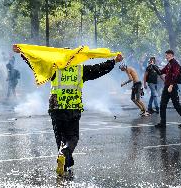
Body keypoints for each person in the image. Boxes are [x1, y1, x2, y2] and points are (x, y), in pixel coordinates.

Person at [13, 44, 123, 177]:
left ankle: (65, 163)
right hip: (72, 107)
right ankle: (65, 154)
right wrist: (114, 61)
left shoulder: (54, 69)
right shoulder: (80, 70)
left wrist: (23, 54)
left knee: (60, 138)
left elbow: (37, 63)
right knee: (72, 137)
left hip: (55, 107)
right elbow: (98, 69)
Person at [153, 50, 181, 128]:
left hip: (172, 87)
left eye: (167, 55)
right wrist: (154, 66)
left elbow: (175, 76)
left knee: (176, 105)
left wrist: (171, 85)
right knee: (162, 105)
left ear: (171, 55)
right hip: (167, 86)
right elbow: (161, 72)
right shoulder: (169, 64)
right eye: (165, 55)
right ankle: (162, 123)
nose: (166, 57)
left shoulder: (175, 64)